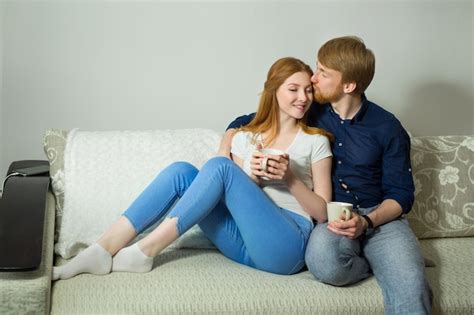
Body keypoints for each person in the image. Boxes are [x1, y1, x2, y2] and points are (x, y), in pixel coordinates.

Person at [53, 57, 333, 280]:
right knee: (181, 172)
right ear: (274, 91)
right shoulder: (244, 138)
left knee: (220, 167)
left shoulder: (315, 141)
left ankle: (145, 250)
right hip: (244, 243)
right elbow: (228, 196)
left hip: (286, 246)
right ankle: (102, 249)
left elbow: (323, 214)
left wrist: (291, 178)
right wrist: (252, 176)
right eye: (293, 89)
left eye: (308, 90)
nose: (303, 97)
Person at [222, 36, 433, 314]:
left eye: (322, 73)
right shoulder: (309, 109)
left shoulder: (388, 127)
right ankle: (373, 263)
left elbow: (401, 195)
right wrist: (224, 148)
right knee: (325, 265)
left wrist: (367, 222)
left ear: (349, 85)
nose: (313, 78)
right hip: (332, 216)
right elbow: (250, 120)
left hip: (380, 217)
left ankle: (396, 262)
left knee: (410, 284)